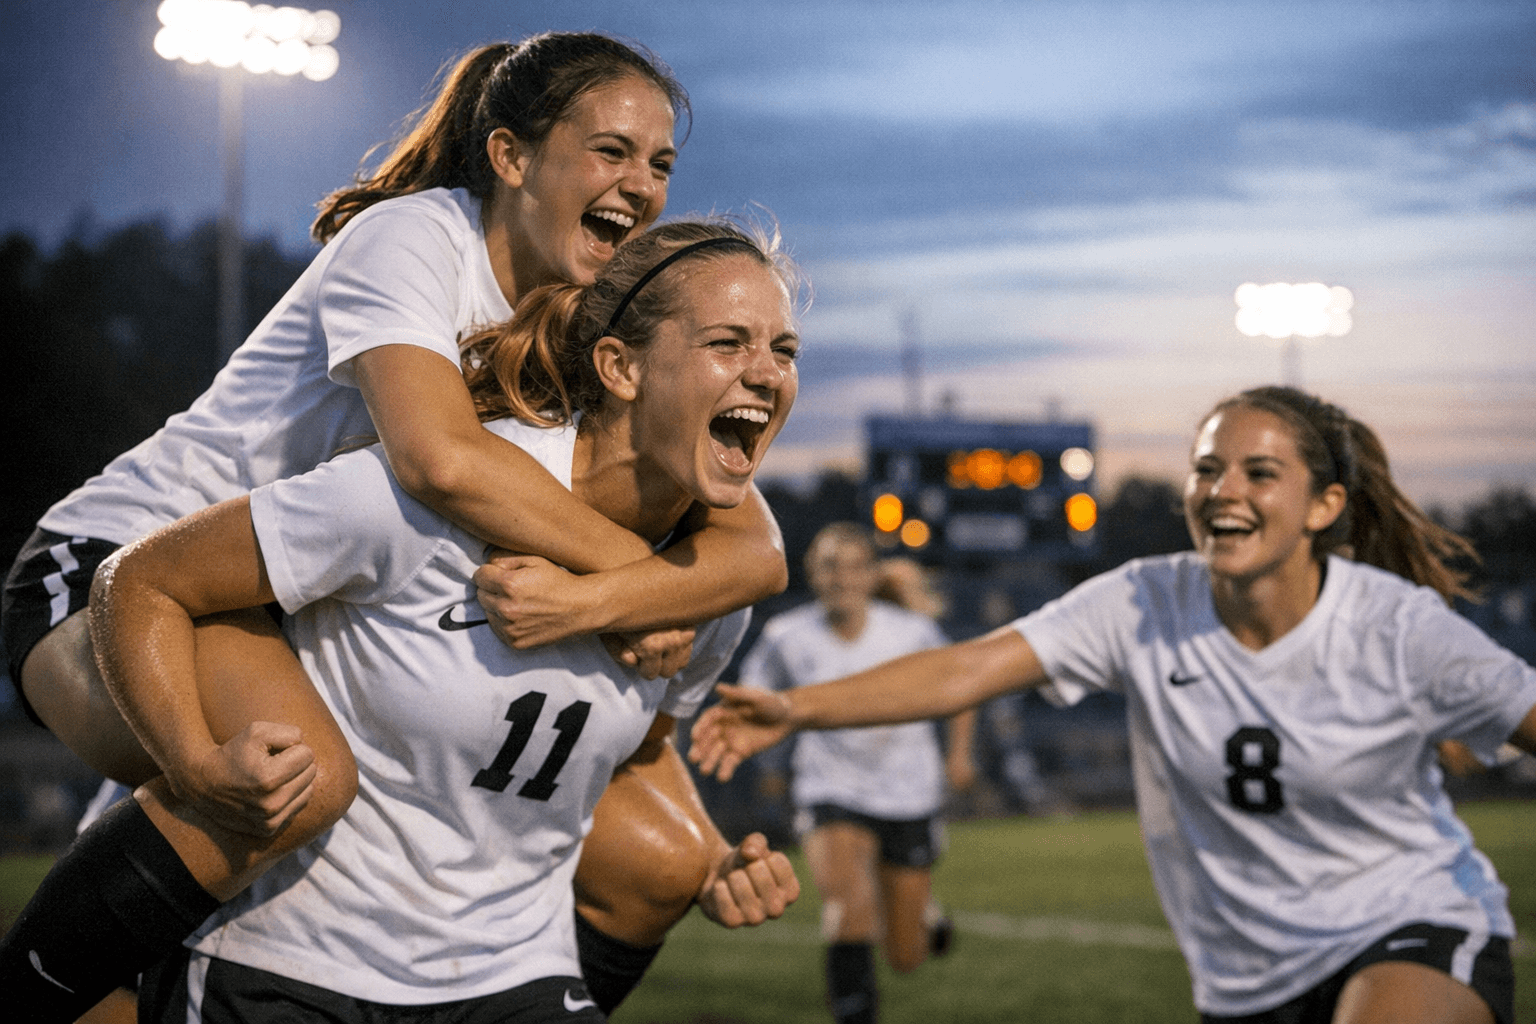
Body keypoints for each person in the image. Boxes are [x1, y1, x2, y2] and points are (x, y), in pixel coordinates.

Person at [0, 34, 787, 1022]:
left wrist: (639, 595)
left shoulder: (581, 302)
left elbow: (750, 540)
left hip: (279, 588)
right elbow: (437, 458)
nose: (641, 183)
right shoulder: (417, 238)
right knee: (292, 779)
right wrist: (630, 580)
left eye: (660, 162)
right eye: (611, 150)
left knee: (652, 857)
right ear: (510, 157)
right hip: (123, 560)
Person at [692, 386, 1536, 1024]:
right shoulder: (1142, 602)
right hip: (1242, 980)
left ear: (1324, 506)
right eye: (1207, 469)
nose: (1222, 489)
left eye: (1259, 472)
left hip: (1408, 923)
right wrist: (796, 708)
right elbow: (966, 670)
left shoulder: (1397, 627)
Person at [736, 525, 974, 1024]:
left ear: (870, 575)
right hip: (831, 789)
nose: (840, 577)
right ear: (811, 573)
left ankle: (927, 923)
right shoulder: (787, 637)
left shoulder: (909, 631)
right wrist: (768, 763)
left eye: (851, 566)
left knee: (905, 957)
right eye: (828, 565)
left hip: (908, 792)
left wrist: (959, 755)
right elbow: (755, 699)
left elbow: (960, 686)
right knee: (848, 910)